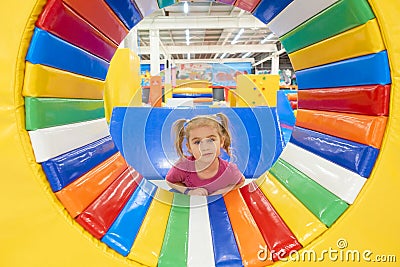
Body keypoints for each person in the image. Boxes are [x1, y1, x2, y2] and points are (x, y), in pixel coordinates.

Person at [166, 113, 245, 196]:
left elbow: (241, 181)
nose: (205, 147)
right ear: (189, 148)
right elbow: (170, 180)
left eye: (211, 140)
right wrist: (188, 191)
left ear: (221, 141)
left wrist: (222, 191)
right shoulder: (183, 166)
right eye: (197, 142)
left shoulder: (229, 170)